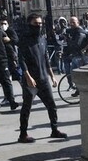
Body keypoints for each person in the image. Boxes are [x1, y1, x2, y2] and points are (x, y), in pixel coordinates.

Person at [18, 12, 68, 143]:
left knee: (52, 105)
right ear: (29, 24)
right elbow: (21, 60)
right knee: (26, 107)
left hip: (43, 78)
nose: (38, 26)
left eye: (40, 24)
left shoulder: (42, 39)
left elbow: (46, 59)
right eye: (35, 23)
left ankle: (54, 129)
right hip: (31, 81)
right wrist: (28, 77)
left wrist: (52, 76)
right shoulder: (24, 40)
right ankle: (23, 134)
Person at [0, 17, 20, 81]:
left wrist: (9, 40)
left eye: (5, 24)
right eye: (1, 24)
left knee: (13, 69)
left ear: (7, 24)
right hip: (1, 54)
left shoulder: (11, 31)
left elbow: (16, 40)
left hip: (11, 54)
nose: (3, 25)